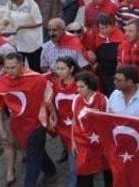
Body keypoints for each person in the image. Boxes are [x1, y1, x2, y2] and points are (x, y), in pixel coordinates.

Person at [0, 52, 56, 187]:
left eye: (13, 67)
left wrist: (53, 115)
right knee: (34, 150)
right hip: (18, 125)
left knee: (32, 157)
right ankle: (50, 170)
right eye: (7, 68)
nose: (10, 71)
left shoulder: (37, 79)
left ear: (22, 64)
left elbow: (48, 99)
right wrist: (1, 128)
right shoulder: (2, 81)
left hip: (37, 122)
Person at [72, 71, 111, 187]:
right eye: (77, 86)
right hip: (83, 141)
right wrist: (73, 142)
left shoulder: (103, 99)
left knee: (107, 168)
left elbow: (108, 122)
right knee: (83, 170)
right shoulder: (76, 100)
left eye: (82, 86)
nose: (78, 89)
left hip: (101, 142)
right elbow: (74, 122)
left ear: (90, 86)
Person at [0, 0, 44, 72]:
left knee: (34, 67)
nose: (15, 2)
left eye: (16, 0)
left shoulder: (31, 4)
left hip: (32, 42)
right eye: (13, 0)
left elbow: (38, 22)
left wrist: (20, 27)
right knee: (19, 66)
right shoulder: (10, 4)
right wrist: (2, 27)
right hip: (19, 41)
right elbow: (7, 17)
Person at [51, 56, 79, 187]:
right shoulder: (55, 84)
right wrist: (53, 117)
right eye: (57, 68)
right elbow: (51, 102)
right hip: (64, 127)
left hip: (78, 128)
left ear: (72, 69)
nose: (59, 71)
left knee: (74, 162)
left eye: (63, 68)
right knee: (71, 154)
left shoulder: (80, 84)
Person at [88, 14, 126, 96]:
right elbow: (92, 51)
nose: (104, 31)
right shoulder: (95, 37)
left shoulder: (119, 35)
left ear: (112, 26)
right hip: (104, 72)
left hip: (117, 69)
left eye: (106, 28)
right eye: (102, 28)